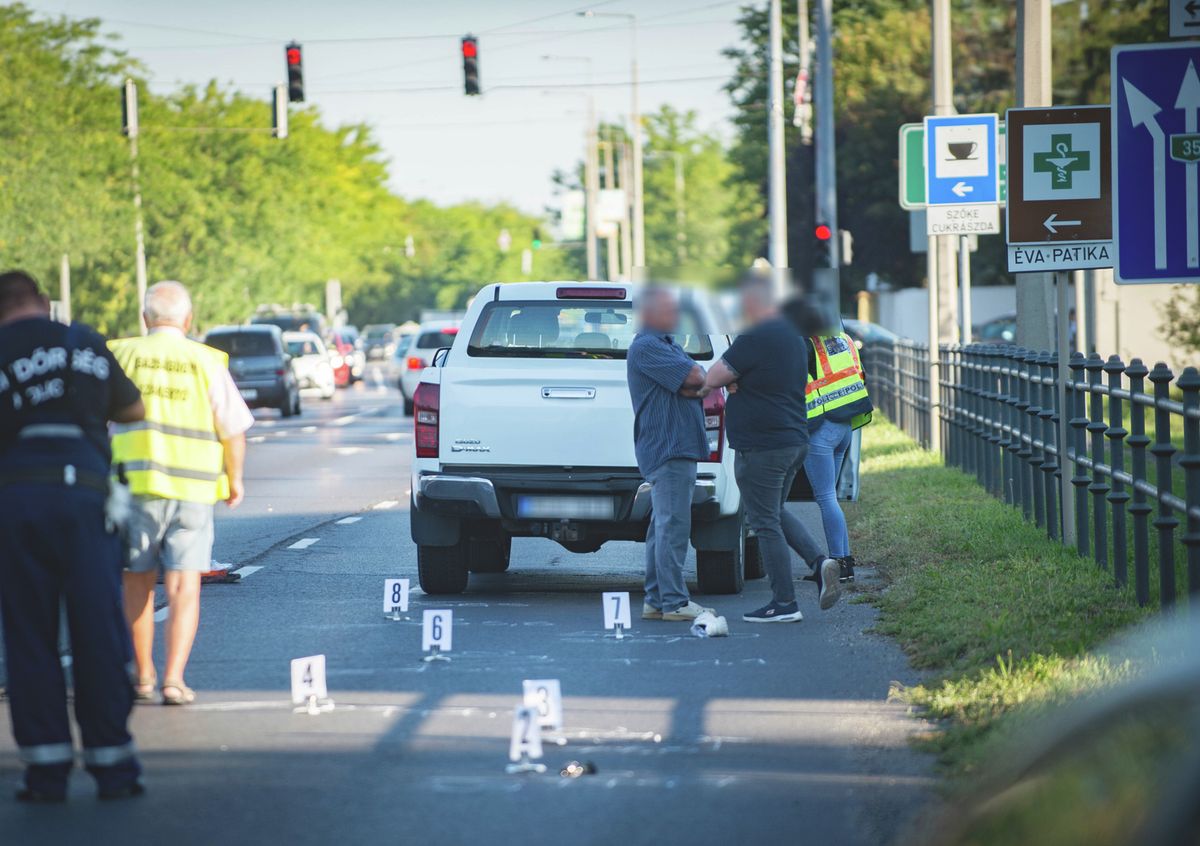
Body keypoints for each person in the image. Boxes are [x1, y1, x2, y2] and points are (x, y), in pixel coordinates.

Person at [0, 269, 146, 801]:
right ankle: (114, 767)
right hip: (86, 497)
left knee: (30, 636)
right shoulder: (83, 340)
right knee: (97, 629)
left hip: (19, 501)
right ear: (43, 300)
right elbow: (134, 408)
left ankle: (46, 772)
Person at [110, 281, 253, 706]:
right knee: (183, 586)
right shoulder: (205, 361)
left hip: (134, 487)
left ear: (144, 319)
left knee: (135, 584)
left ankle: (142, 677)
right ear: (188, 321)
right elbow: (233, 430)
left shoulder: (121, 355)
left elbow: (97, 422)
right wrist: (235, 478)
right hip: (192, 489)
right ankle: (174, 679)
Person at [701, 271, 841, 623]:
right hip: (794, 440)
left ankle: (784, 603)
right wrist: (740, 381)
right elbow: (768, 379)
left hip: (762, 446)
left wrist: (732, 382)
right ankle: (819, 562)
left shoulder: (755, 337)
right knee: (775, 512)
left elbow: (712, 378)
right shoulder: (792, 337)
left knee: (763, 521)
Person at [626, 286, 713, 622]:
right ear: (648, 313)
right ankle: (674, 602)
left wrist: (693, 382)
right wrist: (693, 382)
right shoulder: (649, 346)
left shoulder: (665, 343)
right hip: (669, 446)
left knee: (661, 527)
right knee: (673, 525)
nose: (676, 315)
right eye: (668, 309)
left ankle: (656, 599)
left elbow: (695, 381)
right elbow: (696, 376)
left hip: (673, 445)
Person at [803, 329, 873, 583]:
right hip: (844, 425)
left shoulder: (806, 342)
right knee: (830, 496)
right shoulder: (841, 337)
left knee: (825, 497)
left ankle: (838, 564)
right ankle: (845, 562)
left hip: (821, 426)